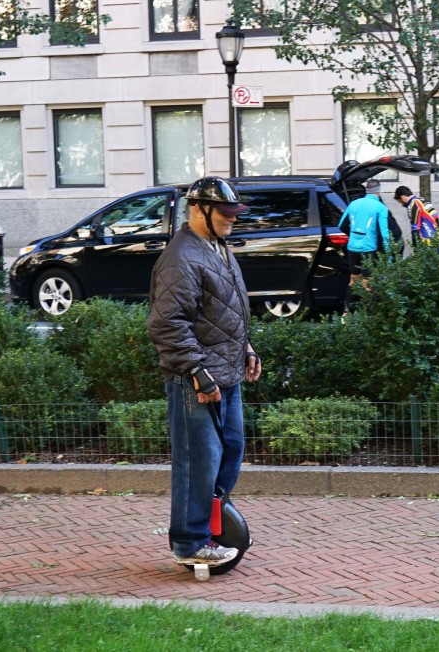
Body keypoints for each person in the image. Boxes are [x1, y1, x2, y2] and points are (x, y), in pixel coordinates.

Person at [147, 176, 262, 568]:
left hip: (224, 373)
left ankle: (211, 526)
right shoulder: (181, 258)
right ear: (198, 210)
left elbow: (223, 311)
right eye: (225, 213)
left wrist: (245, 347)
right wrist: (196, 371)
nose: (232, 219)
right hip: (197, 381)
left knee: (228, 453)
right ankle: (190, 541)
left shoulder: (216, 246)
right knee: (198, 460)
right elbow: (167, 325)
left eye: (234, 213)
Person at [339, 179, 392, 294]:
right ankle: (367, 311)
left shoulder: (354, 203)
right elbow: (384, 233)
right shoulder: (381, 207)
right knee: (368, 282)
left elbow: (341, 225)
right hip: (369, 249)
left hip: (352, 247)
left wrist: (353, 235)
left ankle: (347, 310)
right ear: (378, 191)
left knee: (353, 280)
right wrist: (388, 253)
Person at [393, 185, 439, 251]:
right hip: (438, 241)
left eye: (400, 201)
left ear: (403, 197)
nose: (401, 205)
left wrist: (416, 247)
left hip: (427, 243)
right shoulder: (423, 200)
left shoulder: (413, 204)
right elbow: (436, 217)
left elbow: (415, 227)